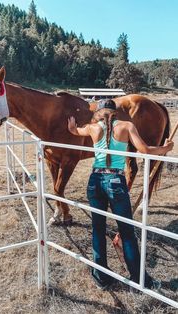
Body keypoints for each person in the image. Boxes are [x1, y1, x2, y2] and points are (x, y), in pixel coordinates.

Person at [68, 99, 174, 290]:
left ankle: (101, 277)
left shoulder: (93, 128)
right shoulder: (127, 126)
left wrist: (72, 127)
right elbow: (146, 150)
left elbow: (76, 131)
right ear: (115, 112)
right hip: (115, 182)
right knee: (127, 232)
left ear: (99, 113)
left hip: (95, 181)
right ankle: (139, 280)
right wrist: (165, 149)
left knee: (98, 229)